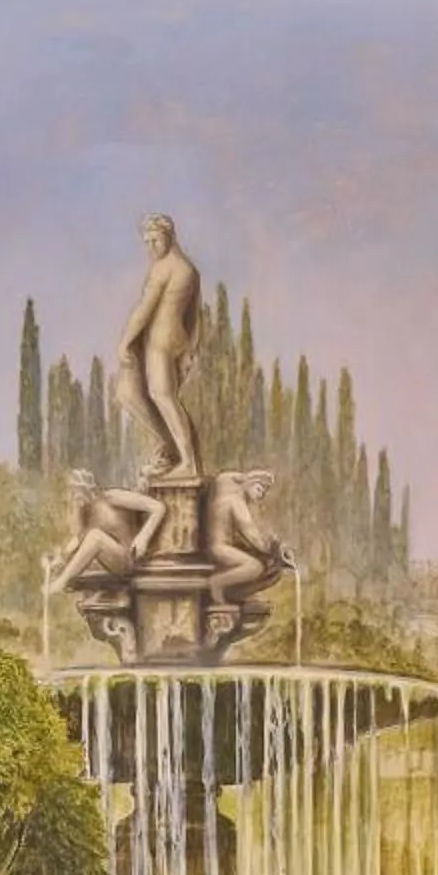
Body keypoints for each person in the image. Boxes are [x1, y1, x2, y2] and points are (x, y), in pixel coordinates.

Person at [115, 214, 204, 484]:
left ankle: (188, 462)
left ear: (169, 236)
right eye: (147, 242)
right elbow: (195, 315)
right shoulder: (189, 269)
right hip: (173, 338)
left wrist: (125, 341)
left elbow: (145, 308)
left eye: (155, 240)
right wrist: (190, 346)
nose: (151, 247)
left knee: (162, 396)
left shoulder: (165, 268)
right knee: (128, 393)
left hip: (160, 340)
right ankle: (171, 448)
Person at [43, 469, 169, 599]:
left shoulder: (112, 497)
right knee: (93, 538)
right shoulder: (87, 518)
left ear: (87, 489)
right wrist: (60, 560)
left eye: (75, 492)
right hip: (117, 564)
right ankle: (64, 581)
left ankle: (63, 582)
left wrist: (143, 537)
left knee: (95, 537)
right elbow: (77, 540)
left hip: (133, 558)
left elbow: (158, 507)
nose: (73, 498)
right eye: (71, 495)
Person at [204, 469, 291, 602]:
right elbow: (249, 532)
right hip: (220, 548)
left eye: (264, 492)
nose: (261, 494)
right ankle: (217, 583)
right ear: (249, 484)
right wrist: (272, 550)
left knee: (268, 568)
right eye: (259, 489)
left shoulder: (231, 499)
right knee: (255, 567)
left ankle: (236, 594)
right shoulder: (235, 501)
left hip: (224, 547)